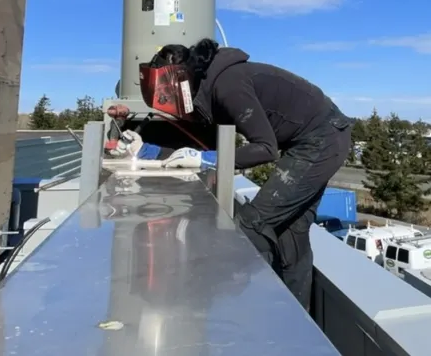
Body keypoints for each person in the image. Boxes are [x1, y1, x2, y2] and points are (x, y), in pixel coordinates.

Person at [110, 38, 353, 310]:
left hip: (322, 139)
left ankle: (215, 297)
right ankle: (296, 314)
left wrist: (203, 158)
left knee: (253, 224)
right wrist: (147, 150)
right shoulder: (212, 86)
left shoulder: (228, 86)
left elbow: (265, 149)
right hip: (318, 137)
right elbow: (206, 151)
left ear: (178, 83)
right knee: (290, 232)